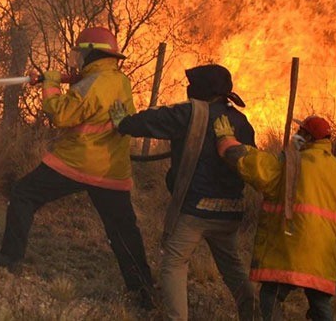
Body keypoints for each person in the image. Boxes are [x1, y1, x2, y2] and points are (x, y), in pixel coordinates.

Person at [0, 26, 155, 309]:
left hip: (78, 161)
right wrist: (61, 78)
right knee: (123, 231)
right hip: (111, 168)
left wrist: (50, 85)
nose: (75, 59)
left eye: (80, 53)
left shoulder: (91, 84)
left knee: (23, 194)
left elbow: (62, 114)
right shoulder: (118, 80)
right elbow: (90, 89)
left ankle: (10, 258)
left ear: (91, 53)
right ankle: (144, 293)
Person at [109, 64, 257, 320]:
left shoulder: (190, 112)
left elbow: (152, 120)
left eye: (192, 84)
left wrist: (124, 122)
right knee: (232, 267)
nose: (188, 89)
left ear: (202, 88)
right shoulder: (241, 121)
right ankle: (253, 314)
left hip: (197, 210)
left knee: (174, 264)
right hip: (230, 211)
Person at [214, 114, 336, 321]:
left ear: (307, 137)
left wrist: (226, 141)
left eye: (300, 133)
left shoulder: (291, 164)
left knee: (271, 296)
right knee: (319, 302)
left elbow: (254, 165)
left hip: (291, 249)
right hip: (325, 256)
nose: (296, 135)